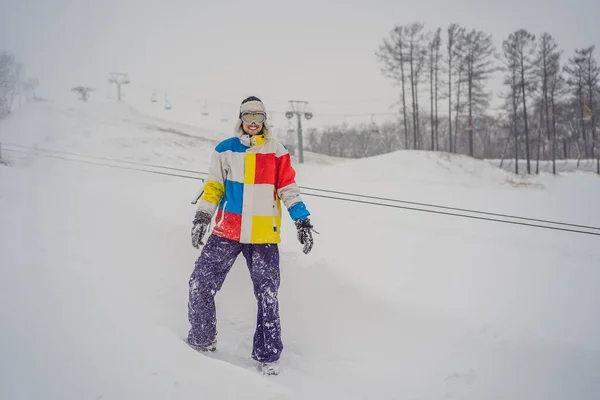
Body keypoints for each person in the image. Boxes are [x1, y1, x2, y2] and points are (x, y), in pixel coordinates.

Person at [187, 96, 316, 375]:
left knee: (267, 294)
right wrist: (202, 217)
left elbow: (288, 190)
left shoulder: (277, 151)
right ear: (240, 118)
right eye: (248, 116)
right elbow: (213, 189)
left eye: (259, 116)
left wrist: (302, 221)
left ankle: (268, 356)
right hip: (227, 230)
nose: (254, 123)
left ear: (265, 119)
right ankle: (202, 339)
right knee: (200, 283)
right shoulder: (225, 150)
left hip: (262, 234)